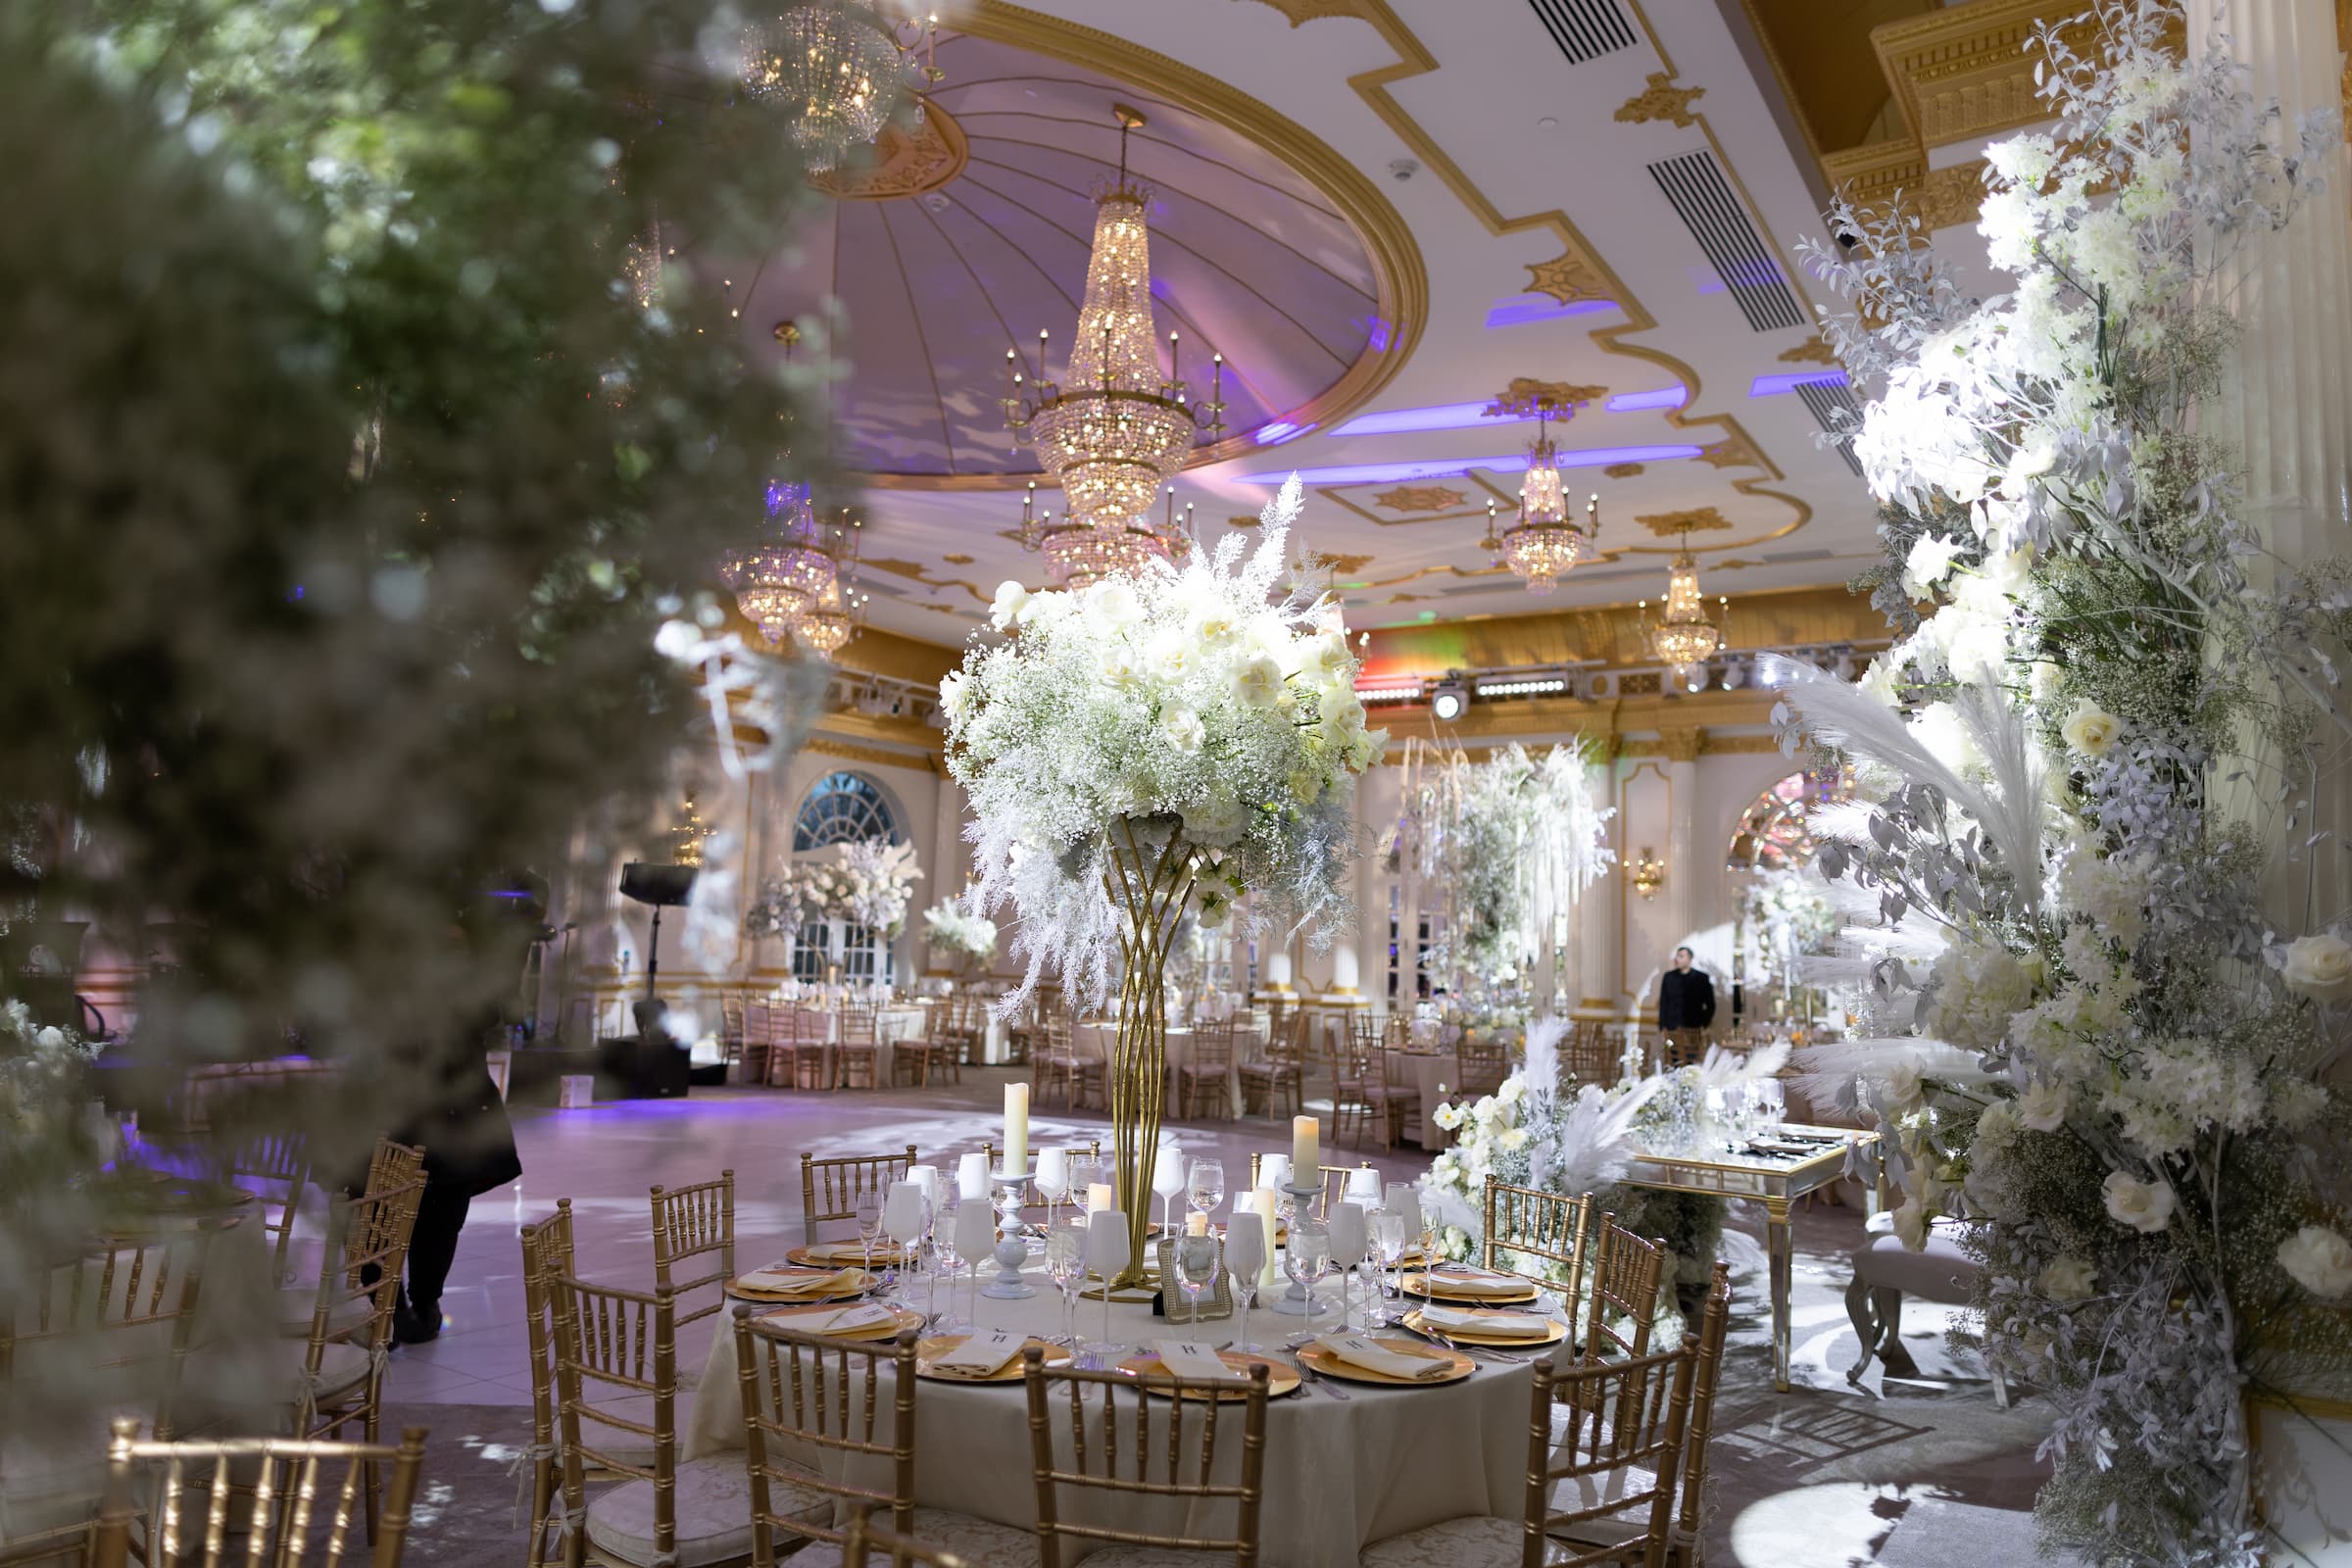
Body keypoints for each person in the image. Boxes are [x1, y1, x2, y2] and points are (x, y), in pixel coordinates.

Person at [1657, 946, 1715, 1067]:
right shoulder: (1669, 977)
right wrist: (1662, 1027)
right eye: (1677, 956)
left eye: (1681, 956)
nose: (1677, 959)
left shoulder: (1701, 978)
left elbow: (1710, 1004)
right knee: (1673, 1062)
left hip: (1692, 1028)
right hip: (1672, 1028)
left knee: (1691, 1063)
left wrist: (1703, 1024)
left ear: (1689, 959)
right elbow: (1664, 1003)